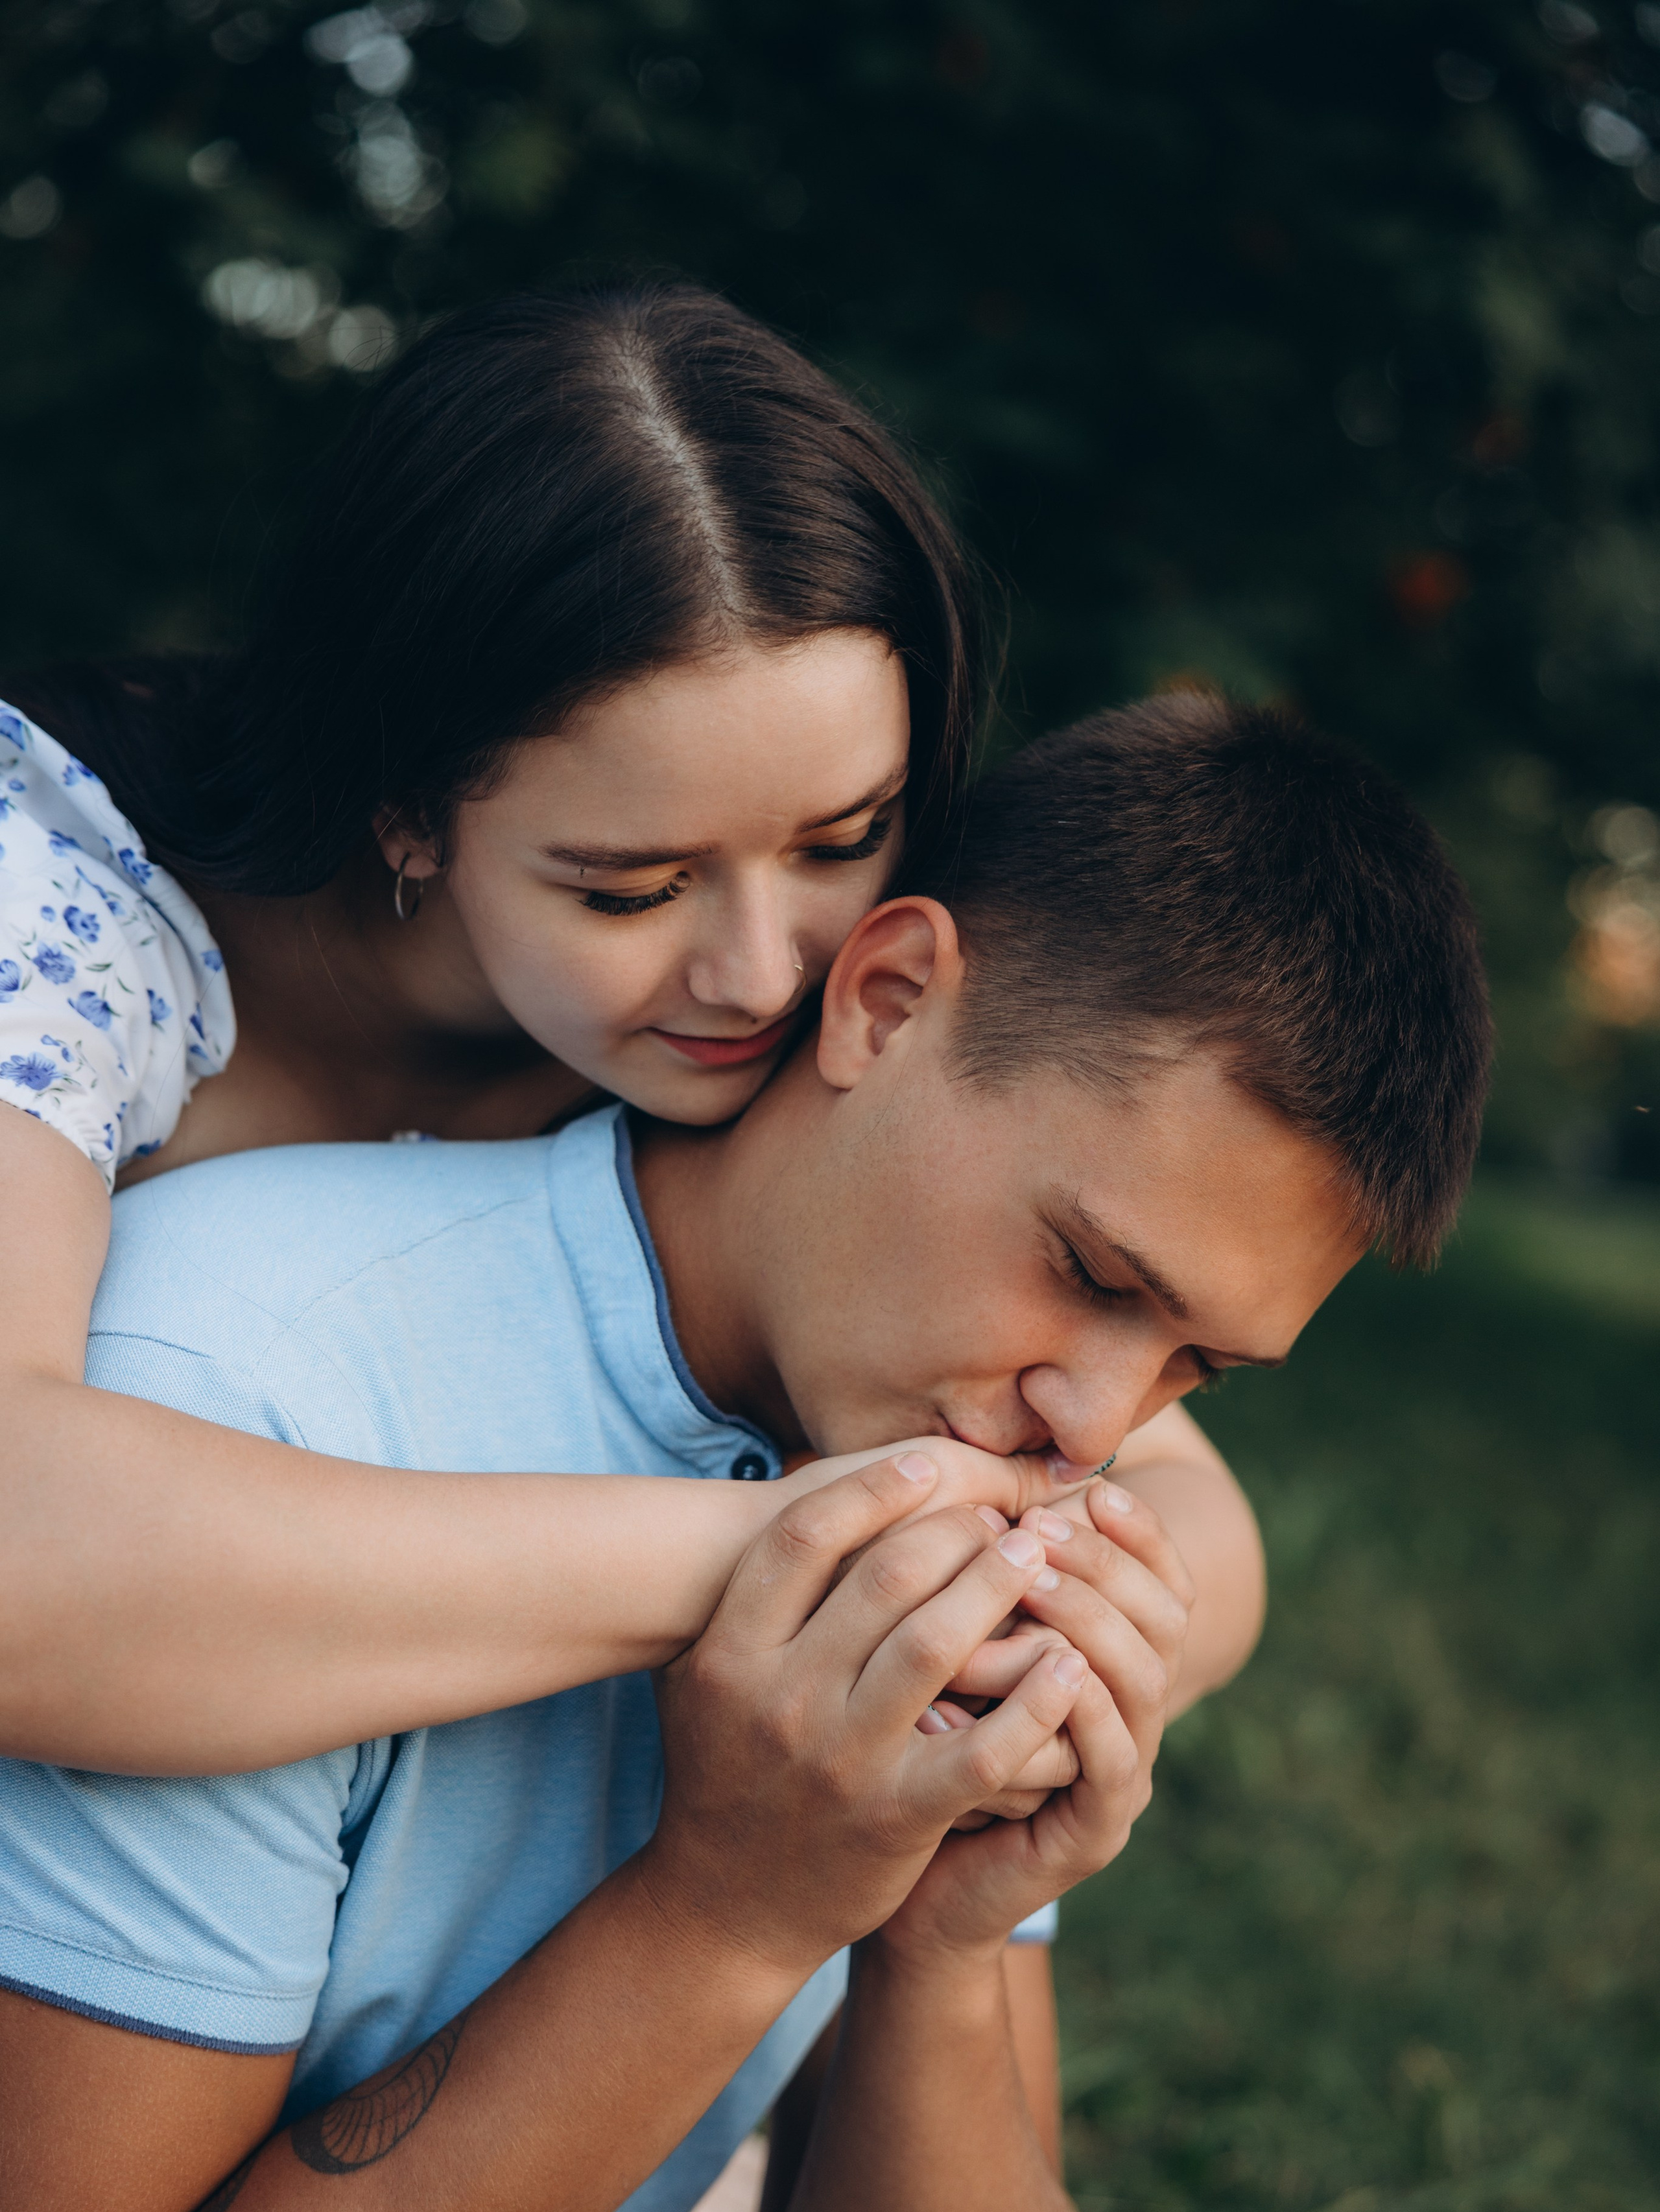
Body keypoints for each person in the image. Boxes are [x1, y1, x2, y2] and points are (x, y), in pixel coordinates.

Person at [0, 695, 1552, 2212]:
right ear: (884, 1003)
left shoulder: (953, 1468)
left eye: (1199, 1364)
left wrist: (939, 1934)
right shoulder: (253, 1383)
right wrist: (729, 1913)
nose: (1094, 1428)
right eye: (1087, 1271)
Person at [0, 277, 1260, 1776]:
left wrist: (1051, 1634)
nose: (754, 974)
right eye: (632, 888)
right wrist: (770, 1558)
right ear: (404, 801)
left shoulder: (836, 985)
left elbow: (1200, 1528)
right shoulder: (58, 920)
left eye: (840, 834)